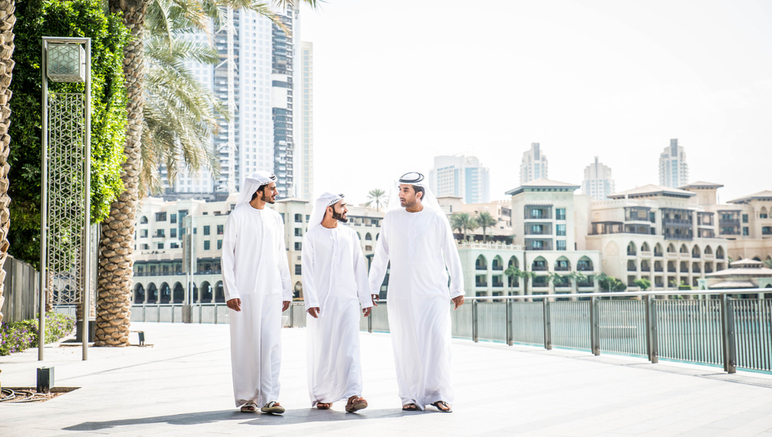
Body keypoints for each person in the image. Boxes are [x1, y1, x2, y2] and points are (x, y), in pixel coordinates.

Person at [368, 172, 465, 413]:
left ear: (419, 194)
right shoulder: (391, 218)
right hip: (401, 293)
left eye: (405, 190)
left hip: (434, 292)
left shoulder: (436, 218)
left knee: (437, 342)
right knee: (406, 344)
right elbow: (381, 255)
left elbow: (451, 253)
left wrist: (457, 288)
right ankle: (409, 396)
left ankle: (438, 394)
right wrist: (372, 288)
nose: (400, 194)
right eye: (399, 189)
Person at [222, 171, 292, 414]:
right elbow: (227, 256)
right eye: (272, 188)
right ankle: (248, 397)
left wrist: (286, 291)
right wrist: (231, 291)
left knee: (272, 343)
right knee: (245, 343)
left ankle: (270, 398)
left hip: (272, 290)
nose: (276, 192)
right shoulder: (237, 216)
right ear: (258, 191)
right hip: (244, 292)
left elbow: (281, 255)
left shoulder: (275, 218)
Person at [301, 192, 376, 412]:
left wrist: (365, 299)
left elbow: (359, 267)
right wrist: (311, 300)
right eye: (343, 206)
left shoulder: (350, 235)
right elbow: (307, 270)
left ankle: (354, 394)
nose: (346, 210)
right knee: (324, 348)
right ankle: (323, 395)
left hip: (348, 300)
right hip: (322, 303)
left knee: (350, 347)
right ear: (328, 209)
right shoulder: (311, 237)